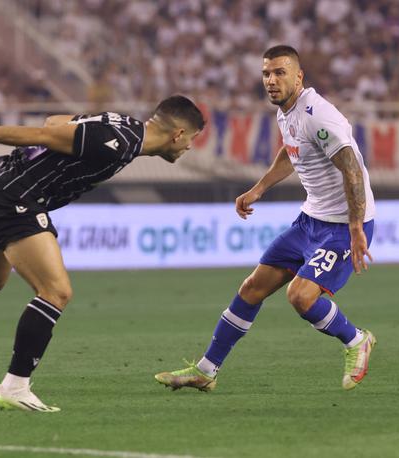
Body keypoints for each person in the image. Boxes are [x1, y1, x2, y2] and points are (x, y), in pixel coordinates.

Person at [0, 95, 205, 412]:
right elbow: (43, 134)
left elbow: (54, 121)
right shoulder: (120, 141)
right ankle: (15, 386)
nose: (189, 147)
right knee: (56, 291)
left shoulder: (122, 125)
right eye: (192, 138)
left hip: (0, 186)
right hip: (19, 198)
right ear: (178, 134)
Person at [155, 45, 376, 392]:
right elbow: (291, 153)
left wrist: (355, 227)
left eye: (280, 73)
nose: (271, 80)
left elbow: (351, 169)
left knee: (300, 297)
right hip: (310, 221)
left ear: (299, 76)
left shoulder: (318, 115)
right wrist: (258, 189)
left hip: (342, 227)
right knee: (251, 289)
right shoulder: (286, 113)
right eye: (266, 74)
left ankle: (356, 341)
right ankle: (206, 371)